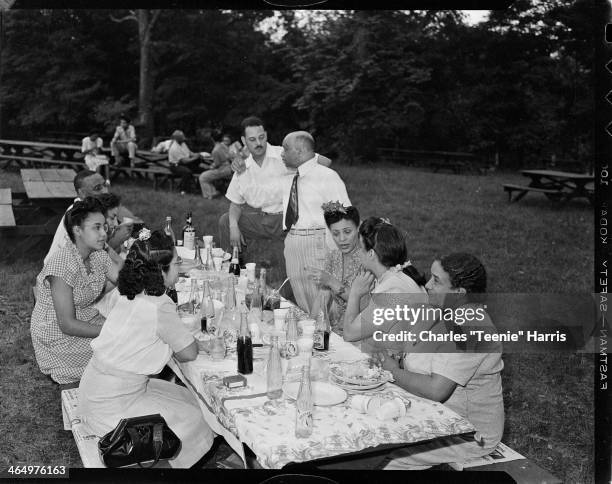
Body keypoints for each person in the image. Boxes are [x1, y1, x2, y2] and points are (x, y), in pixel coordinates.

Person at [78, 230, 215, 468]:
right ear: (160, 270)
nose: (179, 268)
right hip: (113, 407)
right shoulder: (160, 305)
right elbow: (188, 353)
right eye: (176, 263)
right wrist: (198, 342)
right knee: (197, 415)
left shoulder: (129, 293)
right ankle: (164, 467)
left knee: (186, 397)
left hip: (95, 391)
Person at [378, 253, 504, 470]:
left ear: (459, 293)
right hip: (436, 416)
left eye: (436, 280)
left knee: (389, 458)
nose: (427, 285)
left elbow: (437, 390)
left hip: (467, 433)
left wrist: (392, 371)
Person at [30, 198, 120, 387]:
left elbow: (126, 281)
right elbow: (68, 325)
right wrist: (113, 331)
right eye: (97, 228)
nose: (104, 233)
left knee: (129, 341)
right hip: (58, 336)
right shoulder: (62, 264)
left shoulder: (97, 255)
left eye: (105, 226)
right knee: (120, 347)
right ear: (77, 230)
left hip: (85, 318)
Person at [218, 116, 333, 256]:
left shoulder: (283, 155)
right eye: (252, 140)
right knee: (226, 221)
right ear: (243, 141)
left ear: (266, 135)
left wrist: (300, 165)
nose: (258, 143)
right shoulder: (243, 167)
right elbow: (235, 204)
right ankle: (234, 267)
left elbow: (325, 162)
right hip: (263, 220)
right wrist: (234, 226)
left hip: (291, 219)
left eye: (261, 137)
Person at [281, 130, 351, 314]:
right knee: (303, 302)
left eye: (285, 149)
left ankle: (327, 341)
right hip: (293, 242)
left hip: (316, 244)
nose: (282, 153)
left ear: (300, 151)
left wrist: (336, 256)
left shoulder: (326, 177)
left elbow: (342, 217)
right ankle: (311, 339)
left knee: (322, 306)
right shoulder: (291, 177)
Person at [343, 217, 428, 343]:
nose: (358, 253)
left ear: (371, 253)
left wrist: (355, 293)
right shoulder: (401, 273)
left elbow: (350, 334)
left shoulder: (392, 291)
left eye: (360, 248)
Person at [43, 171, 137, 266]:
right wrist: (116, 240)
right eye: (97, 188)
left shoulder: (99, 209)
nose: (105, 191)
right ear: (82, 193)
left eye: (105, 185)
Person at [307, 202, 362, 336]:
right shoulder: (333, 257)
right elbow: (322, 297)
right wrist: (310, 327)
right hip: (338, 329)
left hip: (363, 331)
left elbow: (362, 302)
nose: (342, 239)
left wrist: (330, 281)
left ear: (358, 228)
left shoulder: (369, 259)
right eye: (336, 233)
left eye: (347, 232)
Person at [198, 130, 233, 199]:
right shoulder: (224, 146)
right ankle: (213, 192)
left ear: (212, 139)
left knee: (203, 177)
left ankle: (210, 194)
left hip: (223, 170)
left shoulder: (215, 150)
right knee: (207, 176)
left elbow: (217, 164)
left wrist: (207, 166)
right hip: (229, 168)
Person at [168, 130, 203, 195]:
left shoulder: (183, 143)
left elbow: (189, 153)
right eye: (182, 137)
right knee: (187, 172)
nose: (184, 139)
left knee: (201, 170)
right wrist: (195, 157)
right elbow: (184, 161)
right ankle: (183, 190)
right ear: (177, 138)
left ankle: (197, 188)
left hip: (185, 163)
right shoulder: (174, 148)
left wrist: (198, 154)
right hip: (175, 165)